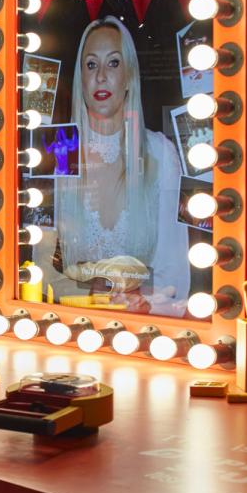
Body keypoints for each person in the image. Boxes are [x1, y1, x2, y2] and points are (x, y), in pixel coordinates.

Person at [44, 16, 189, 315]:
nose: (100, 77)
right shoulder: (60, 152)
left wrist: (144, 301)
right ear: (80, 77)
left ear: (129, 76)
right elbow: (39, 269)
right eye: (91, 64)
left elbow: (175, 272)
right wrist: (85, 292)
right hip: (71, 327)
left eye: (113, 63)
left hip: (144, 331)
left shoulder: (161, 155)